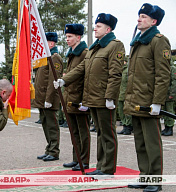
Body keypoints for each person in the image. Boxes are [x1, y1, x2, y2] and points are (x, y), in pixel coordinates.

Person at [54, 13, 125, 176]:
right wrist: (64, 81)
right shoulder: (95, 47)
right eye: (95, 25)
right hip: (92, 97)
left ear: (108, 29)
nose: (95, 28)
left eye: (99, 26)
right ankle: (101, 166)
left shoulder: (115, 45)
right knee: (100, 133)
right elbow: (81, 69)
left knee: (108, 135)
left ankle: (108, 168)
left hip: (103, 98)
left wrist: (110, 97)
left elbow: (115, 74)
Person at [123, 3, 171, 192]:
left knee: (152, 144)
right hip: (136, 101)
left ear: (154, 21)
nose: (139, 19)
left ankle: (154, 181)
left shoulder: (158, 41)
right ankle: (145, 177)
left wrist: (157, 101)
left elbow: (163, 74)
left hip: (150, 102)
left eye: (143, 16)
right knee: (140, 143)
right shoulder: (138, 41)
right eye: (139, 16)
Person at [61, 24, 91, 171]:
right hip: (70, 97)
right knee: (74, 131)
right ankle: (76, 158)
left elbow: (86, 78)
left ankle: (84, 160)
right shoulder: (72, 53)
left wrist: (85, 100)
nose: (67, 39)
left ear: (78, 37)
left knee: (83, 132)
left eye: (70, 36)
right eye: (66, 36)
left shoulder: (85, 52)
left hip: (79, 98)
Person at [32, 32, 63, 161]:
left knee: (52, 125)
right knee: (45, 124)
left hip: (48, 98)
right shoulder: (44, 58)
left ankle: (54, 151)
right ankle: (49, 148)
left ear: (51, 43)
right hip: (42, 98)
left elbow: (53, 80)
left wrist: (49, 99)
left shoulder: (54, 57)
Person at [117, 56, 133, 135]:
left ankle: (128, 126)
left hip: (126, 94)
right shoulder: (120, 70)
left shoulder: (127, 71)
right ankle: (124, 125)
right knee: (121, 112)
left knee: (127, 112)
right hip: (120, 94)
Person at [161, 62, 176, 136]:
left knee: (169, 111)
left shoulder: (172, 68)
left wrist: (172, 94)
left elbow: (174, 82)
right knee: (165, 111)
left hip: (169, 94)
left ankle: (170, 128)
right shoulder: (164, 67)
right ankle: (166, 127)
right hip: (164, 93)